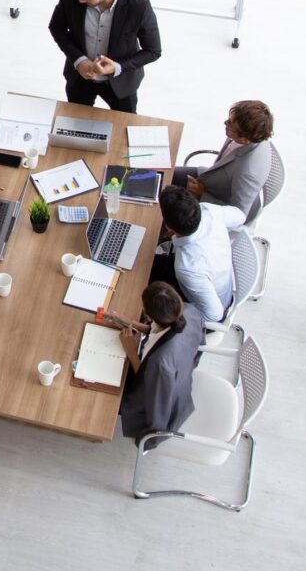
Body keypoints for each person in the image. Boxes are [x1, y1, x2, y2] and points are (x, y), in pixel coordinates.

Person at [46, 0, 162, 114]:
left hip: (121, 84)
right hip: (79, 79)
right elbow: (57, 27)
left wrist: (117, 66)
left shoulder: (139, 6)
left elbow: (153, 51)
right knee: (75, 122)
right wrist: (79, 60)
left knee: (123, 126)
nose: (80, 0)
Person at [103, 282, 205, 447]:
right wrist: (131, 323)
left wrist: (131, 351)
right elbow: (163, 331)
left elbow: (147, 386)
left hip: (161, 401)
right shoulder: (188, 311)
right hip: (176, 376)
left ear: (148, 315)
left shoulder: (159, 363)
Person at [150, 186, 244, 323]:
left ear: (169, 227)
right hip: (215, 285)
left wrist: (177, 321)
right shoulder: (210, 211)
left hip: (204, 307)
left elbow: (214, 315)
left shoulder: (187, 267)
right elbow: (240, 216)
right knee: (144, 262)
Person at [171, 100, 275, 221]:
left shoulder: (248, 173)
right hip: (214, 179)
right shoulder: (253, 133)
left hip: (217, 202)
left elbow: (238, 215)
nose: (225, 123)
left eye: (230, 124)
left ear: (245, 139)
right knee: (161, 174)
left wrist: (202, 195)